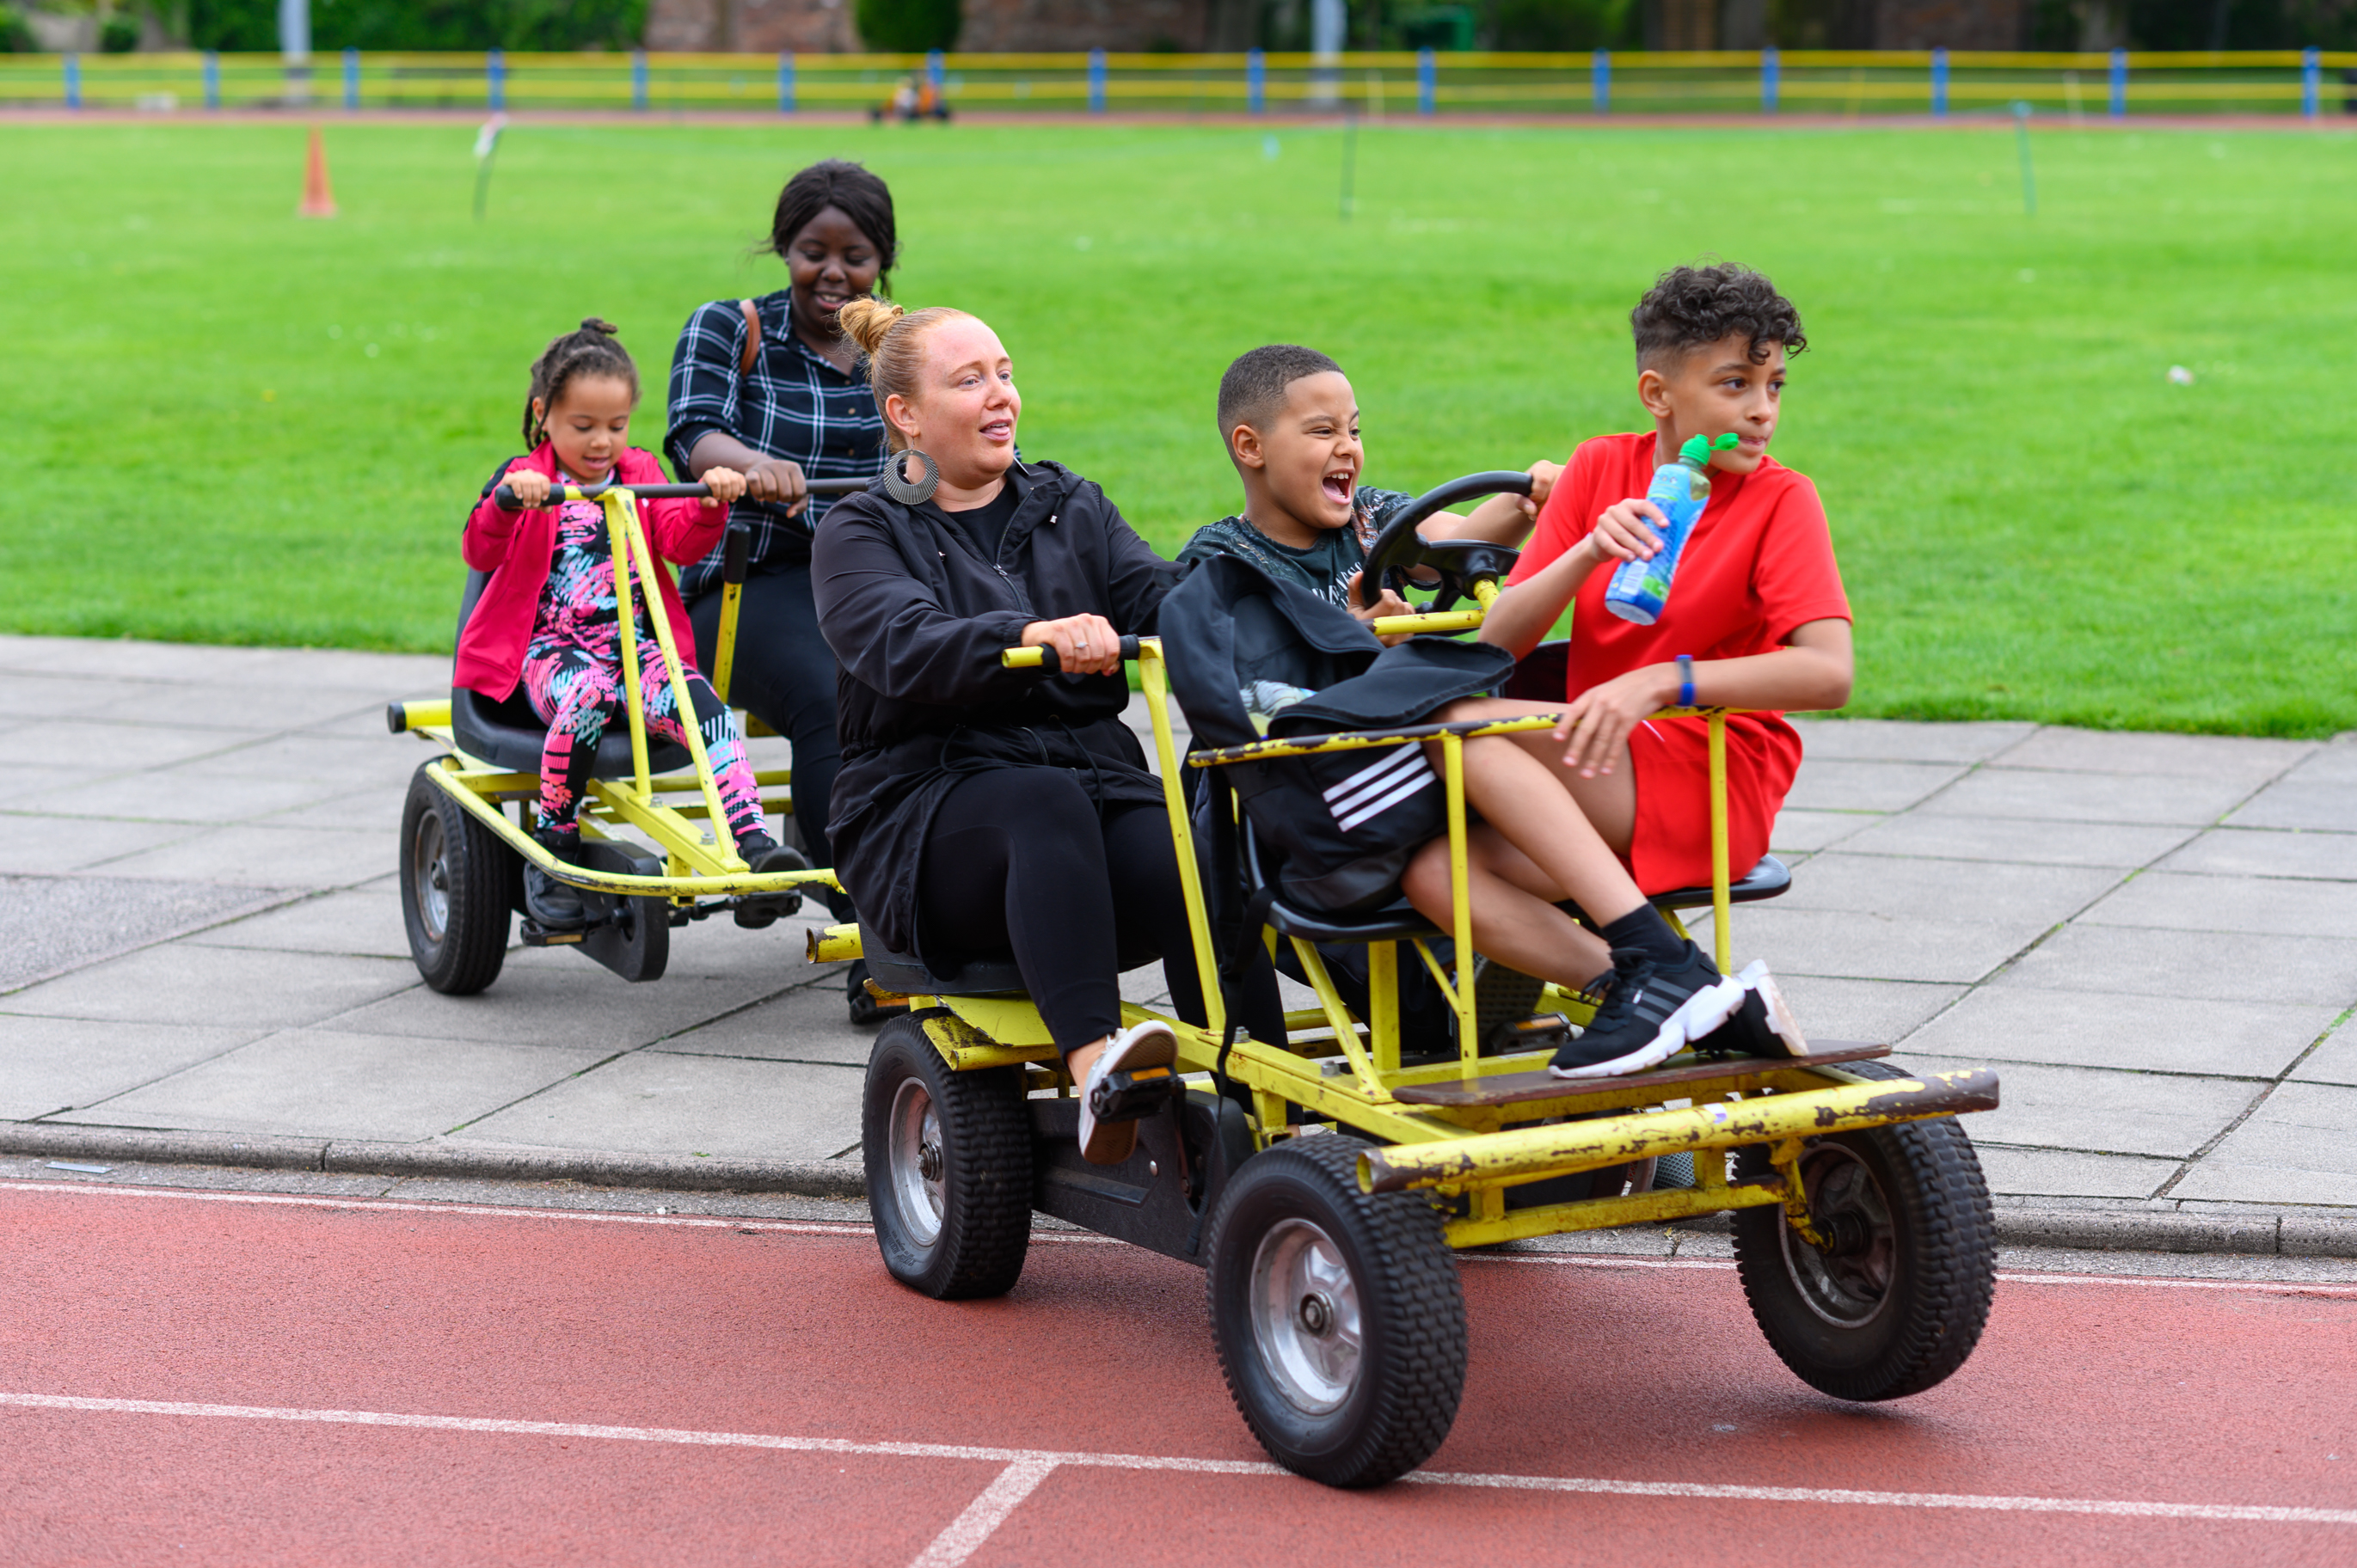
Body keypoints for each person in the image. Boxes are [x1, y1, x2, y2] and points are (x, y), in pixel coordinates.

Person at [813, 297, 1284, 1165]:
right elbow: (897, 641)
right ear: (904, 415)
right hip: (923, 822)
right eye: (969, 381)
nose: (1001, 396)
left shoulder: (1068, 503)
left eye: (1004, 373)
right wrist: (1027, 636)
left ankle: (1263, 1104)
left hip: (1086, 791)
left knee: (1196, 844)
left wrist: (1295, 584)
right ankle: (1094, 1073)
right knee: (1040, 803)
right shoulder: (858, 529)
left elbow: (1161, 598)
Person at [1399, 262, 1851, 1078]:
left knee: (1448, 720)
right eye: (1734, 384)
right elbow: (1501, 642)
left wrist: (1662, 682)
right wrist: (1585, 549)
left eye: (1774, 385)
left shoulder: (1784, 500)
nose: (1760, 411)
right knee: (1435, 872)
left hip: (1714, 766)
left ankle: (1656, 958)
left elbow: (1827, 673)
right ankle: (1656, 993)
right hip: (1603, 758)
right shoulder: (1601, 468)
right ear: (1658, 393)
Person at [457, 318, 800, 931]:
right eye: (582, 427)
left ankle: (750, 842)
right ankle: (554, 843)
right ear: (544, 414)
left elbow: (682, 544)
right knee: (586, 696)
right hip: (553, 653)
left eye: (615, 426)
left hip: (634, 652)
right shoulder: (527, 476)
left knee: (705, 708)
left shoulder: (640, 474)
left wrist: (707, 502)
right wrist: (509, 500)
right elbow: (480, 551)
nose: (600, 443)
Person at [666, 160, 894, 1014]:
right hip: (744, 583)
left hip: (869, 578)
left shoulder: (900, 348)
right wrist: (755, 468)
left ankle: (927, 881)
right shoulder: (732, 327)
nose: (832, 275)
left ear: (883, 262)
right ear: (783, 249)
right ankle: (877, 937)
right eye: (811, 252)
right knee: (837, 694)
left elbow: (954, 442)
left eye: (855, 256)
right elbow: (693, 432)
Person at [1176, 344, 1561, 640]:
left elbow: (1461, 542)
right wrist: (1357, 636)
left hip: (1401, 721)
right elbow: (1258, 674)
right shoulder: (1219, 562)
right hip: (1298, 737)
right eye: (1324, 431)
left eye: (1354, 431)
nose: (1348, 447)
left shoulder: (1370, 516)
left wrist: (1524, 498)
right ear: (1251, 447)